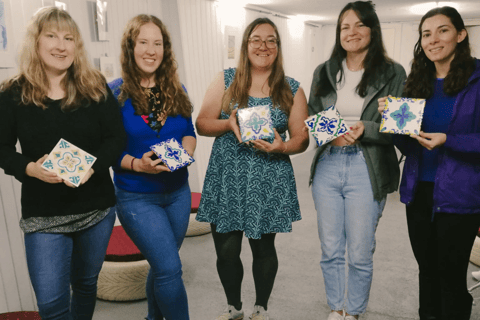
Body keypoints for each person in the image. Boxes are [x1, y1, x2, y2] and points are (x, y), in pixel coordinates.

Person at [0, 7, 125, 320]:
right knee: (52, 305)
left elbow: (115, 139)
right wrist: (29, 168)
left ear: (77, 45)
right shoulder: (12, 94)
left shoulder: (95, 86)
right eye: (52, 36)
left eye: (69, 38)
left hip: (96, 209)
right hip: (43, 215)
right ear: (36, 43)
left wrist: (92, 168)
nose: (61, 45)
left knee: (84, 285)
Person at [195, 17, 309, 320]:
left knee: (263, 249)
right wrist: (228, 123)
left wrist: (282, 146)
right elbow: (202, 124)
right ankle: (234, 307)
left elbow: (301, 138)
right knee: (226, 252)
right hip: (227, 176)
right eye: (256, 39)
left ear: (278, 47)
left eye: (271, 40)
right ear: (246, 45)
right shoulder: (227, 79)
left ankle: (261, 308)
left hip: (268, 177)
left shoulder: (291, 89)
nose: (263, 45)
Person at [378, 6, 480, 320]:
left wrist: (448, 140)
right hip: (419, 190)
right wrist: (394, 125)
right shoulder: (417, 82)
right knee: (427, 270)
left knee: (450, 275)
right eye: (426, 33)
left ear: (461, 35)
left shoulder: (477, 79)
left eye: (443, 30)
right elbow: (411, 145)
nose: (433, 39)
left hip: (461, 193)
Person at [307, 2, 406, 319]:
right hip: (329, 164)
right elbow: (311, 113)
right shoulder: (324, 71)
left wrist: (367, 128)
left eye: (359, 24)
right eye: (344, 26)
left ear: (372, 29)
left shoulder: (393, 72)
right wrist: (330, 134)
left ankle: (355, 312)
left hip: (368, 167)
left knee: (361, 251)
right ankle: (336, 308)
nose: (351, 32)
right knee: (331, 247)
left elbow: (401, 128)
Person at [108, 14, 196, 320]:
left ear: (165, 49)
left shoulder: (176, 87)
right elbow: (104, 149)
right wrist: (136, 164)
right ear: (131, 48)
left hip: (178, 193)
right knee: (171, 269)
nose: (150, 50)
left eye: (157, 43)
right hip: (136, 197)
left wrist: (184, 153)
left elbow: (189, 132)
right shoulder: (114, 93)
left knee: (163, 264)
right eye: (143, 42)